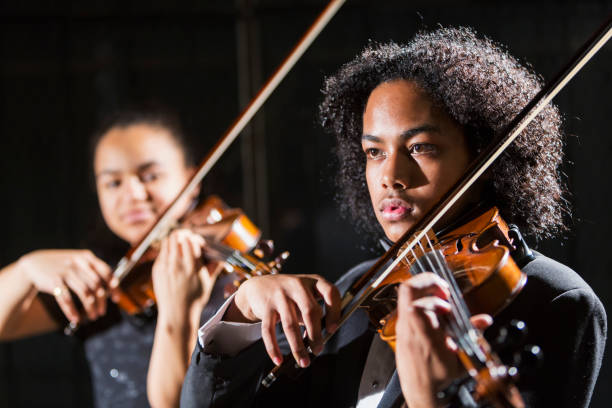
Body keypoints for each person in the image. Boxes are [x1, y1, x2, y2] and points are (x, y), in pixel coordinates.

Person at [180, 27, 607, 408]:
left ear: (484, 155)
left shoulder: (554, 300)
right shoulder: (357, 292)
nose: (391, 177)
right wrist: (240, 311)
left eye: (420, 147)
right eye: (374, 152)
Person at [0, 108, 230, 408]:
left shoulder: (230, 279)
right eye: (113, 183)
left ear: (192, 179)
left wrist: (178, 313)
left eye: (150, 176)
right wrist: (25, 270)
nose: (134, 193)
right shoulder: (103, 283)